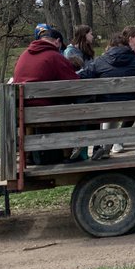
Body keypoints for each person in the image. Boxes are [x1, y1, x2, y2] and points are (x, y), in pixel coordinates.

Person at [12, 24, 82, 164]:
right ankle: (68, 153)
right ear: (56, 41)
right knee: (72, 108)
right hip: (46, 109)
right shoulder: (54, 56)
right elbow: (74, 84)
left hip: (22, 108)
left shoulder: (24, 55)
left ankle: (28, 156)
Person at [79, 32, 135, 159]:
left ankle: (105, 148)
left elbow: (82, 77)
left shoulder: (99, 61)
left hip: (108, 108)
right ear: (127, 45)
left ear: (111, 45)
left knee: (111, 110)